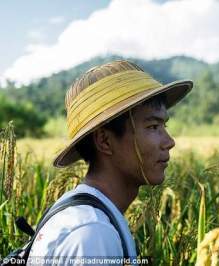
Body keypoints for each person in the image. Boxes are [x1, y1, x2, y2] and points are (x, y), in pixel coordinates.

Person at [27, 60, 193, 265]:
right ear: (105, 141)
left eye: (163, 126)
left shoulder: (87, 215)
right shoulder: (93, 234)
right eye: (152, 127)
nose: (169, 142)